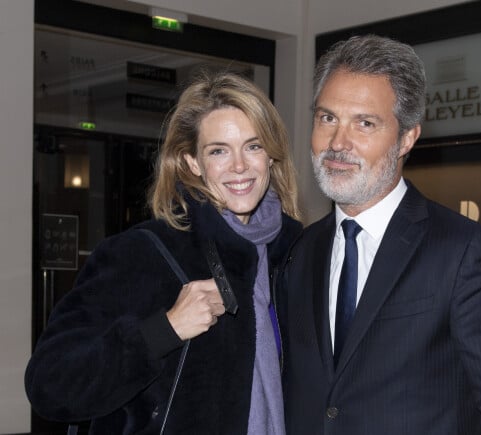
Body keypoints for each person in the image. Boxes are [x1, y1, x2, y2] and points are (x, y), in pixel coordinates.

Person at [280, 34, 481, 435]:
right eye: (327, 118)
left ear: (407, 137)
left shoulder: (464, 251)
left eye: (364, 123)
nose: (338, 143)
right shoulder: (302, 251)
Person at [25, 71, 302, 434]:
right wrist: (164, 330)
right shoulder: (143, 253)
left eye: (253, 146)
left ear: (270, 156)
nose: (239, 166)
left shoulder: (295, 256)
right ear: (192, 163)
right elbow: (50, 383)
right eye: (218, 150)